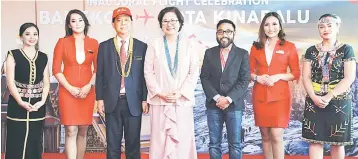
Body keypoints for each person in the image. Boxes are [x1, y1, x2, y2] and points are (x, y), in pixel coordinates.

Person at [144, 6, 199, 159]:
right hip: (160, 101)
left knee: (182, 140)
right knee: (160, 141)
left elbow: (194, 72)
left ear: (180, 23)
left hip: (182, 101)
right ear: (161, 24)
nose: (169, 24)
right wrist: (160, 93)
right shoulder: (154, 44)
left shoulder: (190, 44)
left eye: (173, 20)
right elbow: (148, 72)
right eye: (165, 21)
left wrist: (180, 93)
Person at [96, 7, 148, 159]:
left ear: (131, 23)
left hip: (134, 102)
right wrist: (99, 99)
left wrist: (145, 99)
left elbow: (145, 76)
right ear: (113, 24)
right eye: (119, 20)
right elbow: (100, 74)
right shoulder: (105, 46)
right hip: (112, 101)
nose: (123, 23)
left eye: (126, 20)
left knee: (133, 144)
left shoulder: (141, 46)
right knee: (113, 144)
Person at [302, 13, 356, 159]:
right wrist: (313, 96)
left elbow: (349, 77)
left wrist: (329, 96)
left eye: (329, 25)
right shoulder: (310, 51)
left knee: (337, 143)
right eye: (321, 26)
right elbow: (306, 77)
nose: (325, 29)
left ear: (337, 27)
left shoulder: (346, 49)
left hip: (339, 100)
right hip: (314, 101)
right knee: (314, 142)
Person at [249, 12, 300, 159]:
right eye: (267, 24)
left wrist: (278, 76)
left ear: (280, 26)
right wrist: (258, 78)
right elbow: (249, 72)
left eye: (274, 24)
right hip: (260, 96)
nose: (270, 28)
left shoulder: (289, 47)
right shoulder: (255, 47)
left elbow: (296, 73)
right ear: (262, 27)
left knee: (276, 136)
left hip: (280, 97)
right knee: (265, 136)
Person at [200, 19, 250, 159]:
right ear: (216, 34)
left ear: (234, 34)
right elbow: (204, 77)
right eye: (221, 31)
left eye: (228, 31)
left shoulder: (242, 54)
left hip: (234, 105)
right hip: (213, 105)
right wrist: (217, 97)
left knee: (235, 144)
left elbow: (244, 80)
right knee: (214, 144)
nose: (224, 35)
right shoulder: (209, 53)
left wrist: (228, 99)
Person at [52, 9, 98, 159]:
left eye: (80, 20)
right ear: (69, 24)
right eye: (73, 21)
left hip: (87, 91)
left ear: (85, 22)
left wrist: (89, 86)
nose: (77, 23)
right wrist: (70, 88)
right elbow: (56, 69)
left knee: (83, 130)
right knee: (71, 130)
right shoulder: (62, 42)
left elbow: (98, 70)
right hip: (67, 91)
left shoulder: (94, 43)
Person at [5, 22, 50, 159]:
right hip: (17, 105)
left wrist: (42, 101)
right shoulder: (13, 54)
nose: (32, 37)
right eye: (28, 34)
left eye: (35, 34)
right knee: (16, 140)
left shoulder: (43, 57)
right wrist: (20, 101)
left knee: (34, 140)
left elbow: (46, 82)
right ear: (21, 36)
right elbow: (10, 81)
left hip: (37, 105)